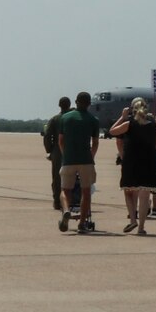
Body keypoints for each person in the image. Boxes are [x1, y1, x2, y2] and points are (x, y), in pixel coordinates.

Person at [110, 97, 156, 235]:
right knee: (144, 196)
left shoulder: (129, 123)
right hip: (149, 162)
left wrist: (122, 117)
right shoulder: (153, 126)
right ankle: (141, 227)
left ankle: (133, 219)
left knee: (128, 191)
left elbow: (112, 131)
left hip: (131, 162)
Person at [55, 90, 100, 233]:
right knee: (86, 191)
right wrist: (91, 156)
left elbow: (61, 141)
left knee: (64, 190)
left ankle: (66, 210)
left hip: (69, 159)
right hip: (86, 159)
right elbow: (95, 142)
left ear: (76, 102)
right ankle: (82, 223)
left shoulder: (65, 118)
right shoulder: (93, 120)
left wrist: (65, 154)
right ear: (89, 104)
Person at [43, 96, 71, 211]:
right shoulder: (73, 118)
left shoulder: (54, 119)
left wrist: (50, 151)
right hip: (72, 150)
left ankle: (57, 201)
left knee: (57, 177)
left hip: (57, 152)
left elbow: (47, 136)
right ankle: (71, 200)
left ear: (59, 105)